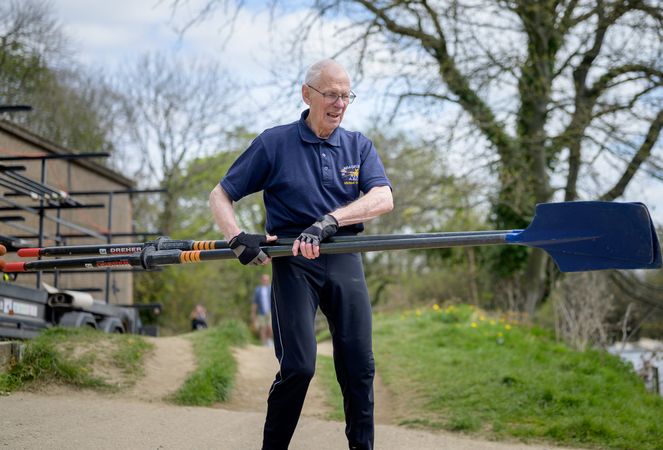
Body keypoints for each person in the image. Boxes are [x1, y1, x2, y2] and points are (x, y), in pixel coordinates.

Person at [209, 58, 393, 450]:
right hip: (293, 259)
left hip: (344, 253)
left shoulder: (358, 145)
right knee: (298, 367)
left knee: (359, 368)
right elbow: (220, 195)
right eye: (331, 94)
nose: (340, 103)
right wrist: (236, 237)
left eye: (346, 95)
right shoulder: (274, 143)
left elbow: (383, 197)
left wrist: (330, 220)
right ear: (307, 94)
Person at [252, 273, 273, 347]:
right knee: (263, 328)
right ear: (261, 280)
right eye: (264, 280)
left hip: (270, 311)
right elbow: (255, 303)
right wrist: (253, 313)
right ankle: (263, 343)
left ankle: (269, 339)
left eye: (267, 280)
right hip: (261, 312)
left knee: (270, 327)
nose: (265, 281)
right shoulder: (258, 290)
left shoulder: (271, 288)